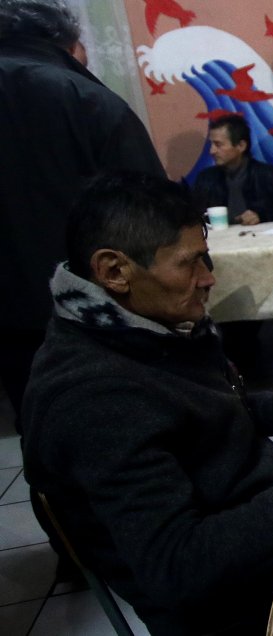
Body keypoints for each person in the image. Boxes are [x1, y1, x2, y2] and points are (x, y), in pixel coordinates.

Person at [21, 172, 273, 635]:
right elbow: (180, 568)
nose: (208, 278)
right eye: (190, 264)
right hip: (249, 598)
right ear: (114, 271)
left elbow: (188, 428)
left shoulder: (136, 329)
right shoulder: (94, 398)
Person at [0, 0, 164, 422]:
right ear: (70, 45)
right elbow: (155, 219)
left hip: (10, 322)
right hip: (96, 316)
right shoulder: (87, 99)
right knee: (122, 430)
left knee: (40, 429)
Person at [192, 114, 273, 225]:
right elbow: (194, 219)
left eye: (218, 144)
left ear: (241, 146)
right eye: (211, 144)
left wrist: (262, 217)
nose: (212, 151)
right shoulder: (206, 179)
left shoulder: (270, 176)